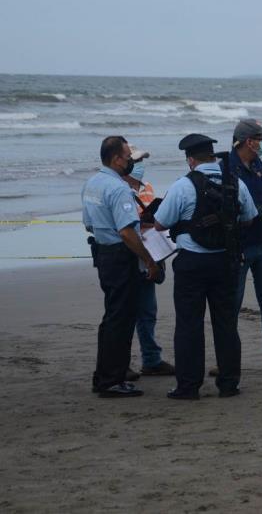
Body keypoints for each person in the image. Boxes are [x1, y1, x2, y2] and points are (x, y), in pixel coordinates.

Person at [154, 134, 258, 400]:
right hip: (226, 261)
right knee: (226, 323)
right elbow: (249, 217)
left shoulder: (183, 185)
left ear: (190, 160)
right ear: (213, 156)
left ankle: (188, 386)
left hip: (192, 262)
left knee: (189, 324)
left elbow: (160, 223)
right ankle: (229, 384)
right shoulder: (235, 182)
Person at [82, 136, 160, 398]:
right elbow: (127, 232)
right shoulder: (119, 189)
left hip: (103, 253)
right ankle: (113, 380)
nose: (130, 161)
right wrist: (148, 259)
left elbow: (88, 223)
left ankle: (103, 375)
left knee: (111, 316)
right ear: (116, 159)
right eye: (128, 157)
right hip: (120, 255)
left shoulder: (92, 183)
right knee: (122, 319)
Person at [209, 119, 262, 377]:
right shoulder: (225, 167)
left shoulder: (257, 164)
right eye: (259, 138)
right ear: (246, 141)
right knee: (232, 303)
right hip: (239, 246)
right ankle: (225, 358)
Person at [120, 146, 175, 379]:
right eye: (138, 160)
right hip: (127, 254)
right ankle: (121, 363)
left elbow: (154, 221)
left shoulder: (147, 187)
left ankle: (151, 359)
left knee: (148, 310)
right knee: (124, 313)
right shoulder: (119, 188)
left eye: (143, 160)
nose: (141, 164)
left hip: (151, 251)